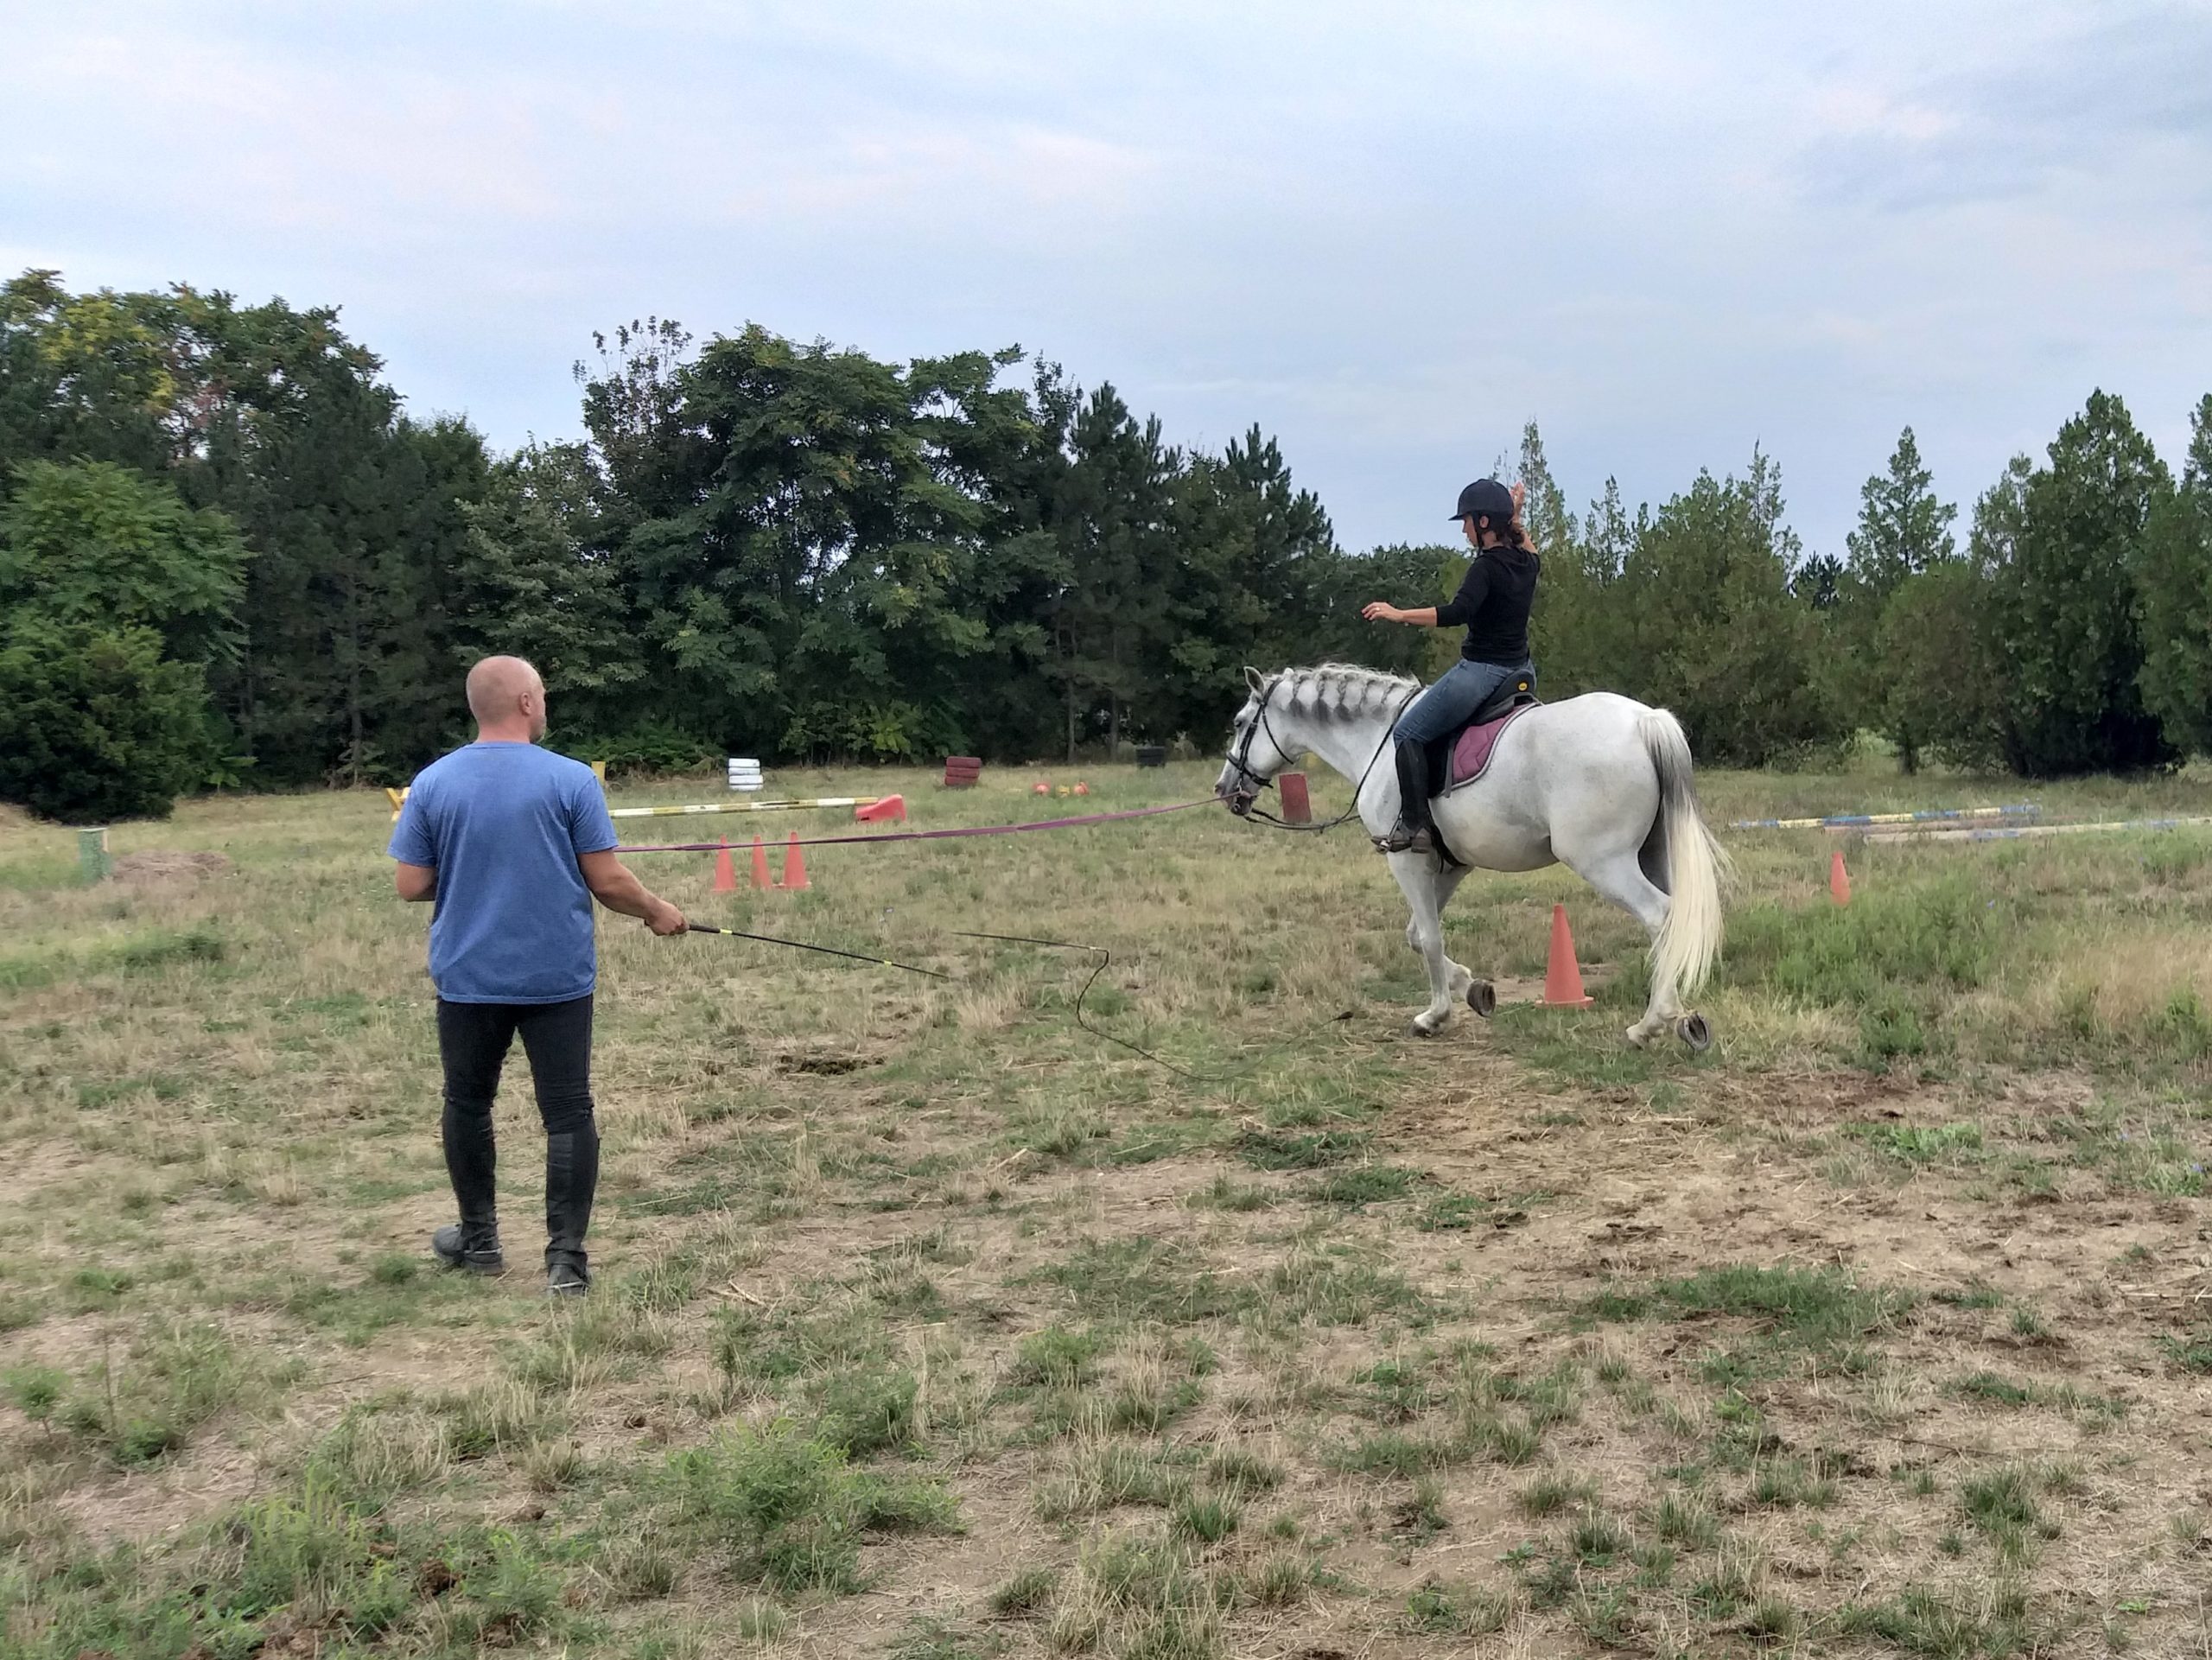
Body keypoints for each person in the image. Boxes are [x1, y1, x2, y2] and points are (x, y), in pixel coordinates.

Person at [388, 655, 686, 1295]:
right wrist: (657, 910)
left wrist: (470, 874)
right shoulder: (572, 779)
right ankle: (566, 1262)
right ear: (526, 702)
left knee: (467, 1101)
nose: (545, 704)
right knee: (568, 1110)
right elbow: (607, 880)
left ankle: (479, 1241)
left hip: (468, 975)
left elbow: (410, 883)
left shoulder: (431, 783)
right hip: (556, 975)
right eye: (542, 694)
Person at [1361, 478, 1539, 854]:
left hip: (1481, 672)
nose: (1464, 530)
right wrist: (1515, 514)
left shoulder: (1485, 568)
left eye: (1467, 521)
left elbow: (1457, 612)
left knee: (1408, 733)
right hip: (1521, 670)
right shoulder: (1527, 562)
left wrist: (1399, 613)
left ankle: (1415, 826)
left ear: (1484, 523)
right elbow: (1527, 543)